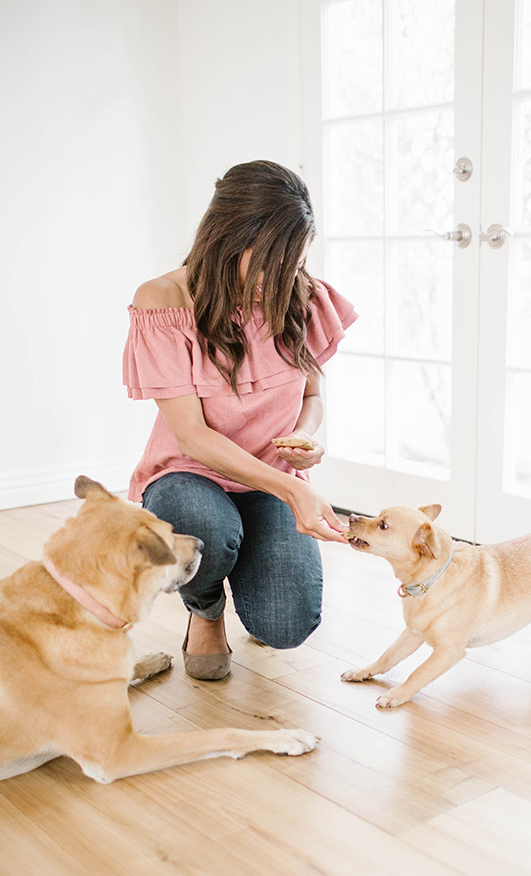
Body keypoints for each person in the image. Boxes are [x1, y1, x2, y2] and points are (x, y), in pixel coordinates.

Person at [123, 160, 357, 680]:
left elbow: (314, 394)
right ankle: (205, 610)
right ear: (230, 239)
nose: (286, 276)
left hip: (269, 484)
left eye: (295, 262)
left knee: (286, 626)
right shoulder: (164, 300)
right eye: (276, 261)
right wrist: (295, 490)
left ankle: (246, 569)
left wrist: (306, 435)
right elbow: (191, 435)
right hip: (189, 476)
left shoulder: (302, 294)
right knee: (204, 524)